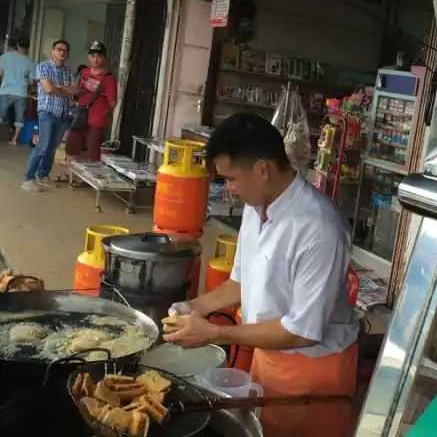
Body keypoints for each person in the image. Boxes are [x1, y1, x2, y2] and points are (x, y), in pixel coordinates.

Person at [163, 113, 360, 437]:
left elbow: (302, 331)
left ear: (262, 170)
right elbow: (240, 282)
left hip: (313, 371)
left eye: (230, 179)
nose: (228, 188)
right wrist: (195, 307)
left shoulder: (319, 228)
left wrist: (214, 333)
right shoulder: (256, 210)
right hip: (267, 354)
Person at [22, 39, 76, 192]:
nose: (61, 53)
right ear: (53, 51)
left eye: (64, 51)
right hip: (47, 112)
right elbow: (48, 89)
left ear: (67, 55)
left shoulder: (67, 71)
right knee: (43, 145)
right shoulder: (43, 66)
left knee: (52, 148)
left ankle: (43, 174)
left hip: (62, 114)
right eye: (58, 49)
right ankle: (28, 179)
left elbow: (76, 89)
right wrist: (63, 90)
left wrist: (59, 88)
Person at [63, 42, 116, 169]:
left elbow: (113, 102)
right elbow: (78, 89)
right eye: (93, 56)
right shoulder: (85, 72)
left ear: (104, 58)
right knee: (71, 144)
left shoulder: (108, 78)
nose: (95, 59)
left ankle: (90, 177)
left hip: (97, 120)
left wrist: (100, 109)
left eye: (99, 56)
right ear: (89, 57)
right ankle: (71, 174)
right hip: (81, 114)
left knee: (93, 150)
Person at [0, 36, 36, 145]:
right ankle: (14, 140)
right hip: (21, 93)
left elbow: (0, 73)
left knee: (0, 115)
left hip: (6, 90)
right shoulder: (30, 62)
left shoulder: (5, 57)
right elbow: (32, 81)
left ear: (17, 45)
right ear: (28, 47)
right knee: (19, 118)